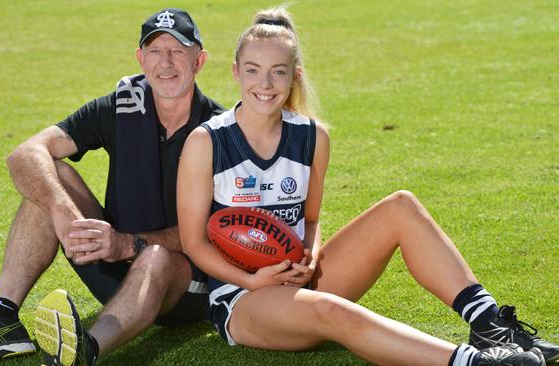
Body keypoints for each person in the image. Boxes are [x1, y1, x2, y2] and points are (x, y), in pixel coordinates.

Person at [177, 6, 558, 366]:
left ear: (295, 75)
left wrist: (310, 253)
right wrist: (252, 278)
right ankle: (470, 362)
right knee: (331, 311)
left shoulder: (313, 137)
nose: (265, 83)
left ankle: (491, 325)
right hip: (245, 298)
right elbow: (195, 242)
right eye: (253, 70)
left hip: (299, 280)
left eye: (278, 72)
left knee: (401, 206)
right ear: (235, 72)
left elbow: (309, 220)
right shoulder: (207, 142)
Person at [0, 8, 224, 366]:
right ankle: (1, 317)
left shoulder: (218, 129)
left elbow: (211, 236)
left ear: (199, 61)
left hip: (183, 286)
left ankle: (87, 350)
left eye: (178, 50)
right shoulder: (123, 104)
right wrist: (64, 214)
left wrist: (127, 244)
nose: (166, 62)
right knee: (48, 176)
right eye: (154, 50)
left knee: (158, 258)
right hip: (113, 261)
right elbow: (24, 154)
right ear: (140, 59)